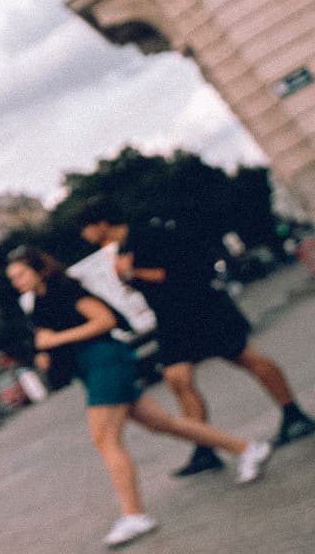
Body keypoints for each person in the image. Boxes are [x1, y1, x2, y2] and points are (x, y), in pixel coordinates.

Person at [7, 246, 270, 548]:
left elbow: (105, 321)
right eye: (13, 277)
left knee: (105, 439)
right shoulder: (38, 304)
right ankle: (248, 448)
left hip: (106, 361)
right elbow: (50, 338)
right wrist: (47, 353)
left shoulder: (64, 290)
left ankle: (134, 514)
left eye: (20, 274)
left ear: (39, 270)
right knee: (165, 423)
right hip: (91, 369)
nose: (16, 281)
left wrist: (57, 340)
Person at [78, 198, 315, 475]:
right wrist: (127, 276)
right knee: (177, 379)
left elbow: (178, 272)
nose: (85, 236)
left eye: (85, 228)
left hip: (202, 310)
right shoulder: (122, 247)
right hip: (172, 320)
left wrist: (131, 271)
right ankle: (205, 447)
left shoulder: (149, 235)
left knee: (246, 357)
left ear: (101, 224)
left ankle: (293, 414)